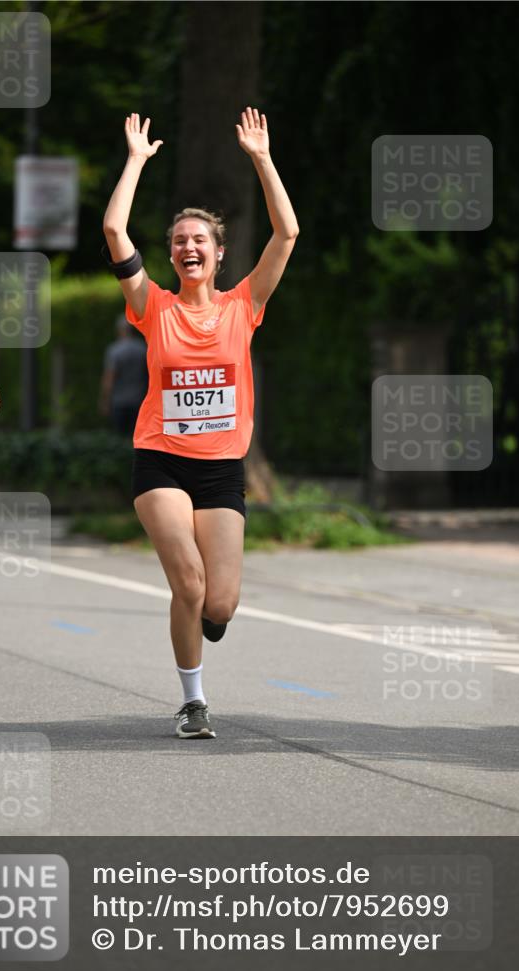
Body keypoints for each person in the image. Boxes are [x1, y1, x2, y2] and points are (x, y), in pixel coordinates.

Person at [102, 108, 298, 739]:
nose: (188, 248)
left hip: (220, 468)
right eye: (179, 241)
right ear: (172, 255)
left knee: (221, 602)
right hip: (159, 458)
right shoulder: (150, 306)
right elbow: (112, 227)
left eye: (199, 242)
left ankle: (205, 618)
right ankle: (193, 701)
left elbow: (287, 234)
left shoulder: (246, 305)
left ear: (217, 256)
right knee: (186, 582)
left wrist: (261, 159)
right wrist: (135, 161)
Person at [99, 314, 148, 436]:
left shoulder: (114, 350)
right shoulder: (143, 348)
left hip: (119, 402)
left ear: (120, 330)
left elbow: (109, 378)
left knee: (119, 438)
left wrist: (104, 400)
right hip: (140, 401)